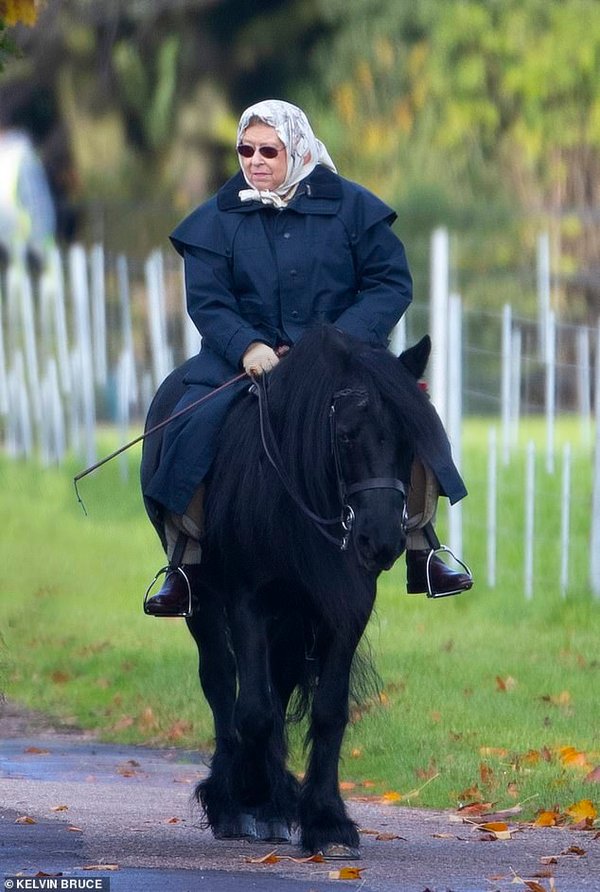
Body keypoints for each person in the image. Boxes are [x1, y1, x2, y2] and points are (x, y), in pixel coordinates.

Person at [142, 99, 472, 616]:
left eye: (268, 150)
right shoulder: (214, 220)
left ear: (295, 149)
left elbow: (390, 283)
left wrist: (335, 345)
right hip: (242, 362)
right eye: (245, 150)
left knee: (406, 417)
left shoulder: (353, 208)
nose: (255, 161)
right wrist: (247, 345)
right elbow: (207, 299)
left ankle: (421, 547)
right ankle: (186, 559)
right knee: (190, 429)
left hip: (344, 361)